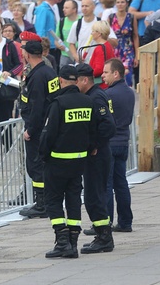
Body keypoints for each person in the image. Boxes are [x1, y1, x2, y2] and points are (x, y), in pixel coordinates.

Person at [40, 65, 97, 259]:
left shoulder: (58, 103)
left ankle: (62, 240)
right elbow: (93, 130)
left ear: (61, 81)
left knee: (53, 200)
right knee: (73, 200)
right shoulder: (88, 101)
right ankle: (73, 243)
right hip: (79, 161)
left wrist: (43, 155)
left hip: (57, 161)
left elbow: (48, 134)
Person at [74, 63, 116, 254]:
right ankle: (102, 234)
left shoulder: (95, 97)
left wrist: (94, 146)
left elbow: (108, 125)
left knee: (94, 196)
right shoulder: (91, 96)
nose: (75, 84)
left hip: (98, 155)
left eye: (76, 80)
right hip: (96, 153)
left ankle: (104, 237)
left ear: (84, 80)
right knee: (93, 195)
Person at [18, 40, 59, 218]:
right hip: (48, 126)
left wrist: (30, 130)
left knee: (36, 165)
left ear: (27, 54)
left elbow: (37, 107)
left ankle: (41, 204)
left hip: (38, 129)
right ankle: (46, 201)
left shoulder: (37, 76)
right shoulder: (48, 71)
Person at [102, 58, 135, 232]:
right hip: (123, 141)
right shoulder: (129, 92)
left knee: (106, 184)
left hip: (110, 143)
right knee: (121, 183)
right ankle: (125, 222)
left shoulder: (108, 95)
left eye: (106, 72)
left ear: (116, 73)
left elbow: (106, 120)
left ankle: (105, 222)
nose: (103, 75)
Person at [108, 0, 138, 86]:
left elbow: (135, 36)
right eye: (118, 2)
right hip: (114, 49)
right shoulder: (111, 17)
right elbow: (107, 35)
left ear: (126, 4)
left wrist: (137, 55)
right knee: (114, 74)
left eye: (122, 2)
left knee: (128, 75)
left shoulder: (131, 17)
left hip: (128, 50)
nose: (120, 4)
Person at [84, 21, 115, 89]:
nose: (91, 33)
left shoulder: (99, 48)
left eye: (93, 31)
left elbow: (99, 69)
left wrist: (87, 75)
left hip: (101, 85)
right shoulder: (108, 45)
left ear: (99, 34)